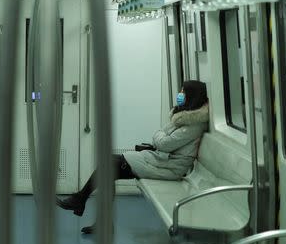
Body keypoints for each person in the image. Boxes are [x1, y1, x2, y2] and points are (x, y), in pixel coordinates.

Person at [57, 80, 210, 234]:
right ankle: (91, 210)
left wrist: (158, 136)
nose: (180, 94)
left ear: (192, 96)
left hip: (170, 168)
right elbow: (162, 139)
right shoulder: (183, 117)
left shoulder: (194, 124)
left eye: (183, 91)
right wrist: (159, 137)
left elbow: (163, 142)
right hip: (162, 161)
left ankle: (81, 201)